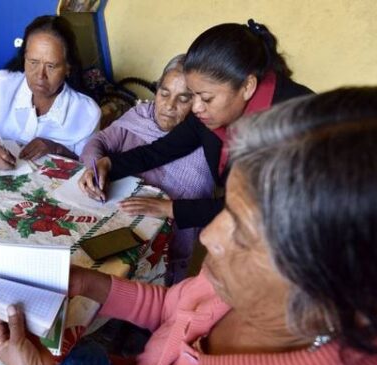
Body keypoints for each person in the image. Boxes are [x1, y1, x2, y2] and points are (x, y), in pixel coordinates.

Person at [0, 86, 377, 365]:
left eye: (243, 231)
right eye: (227, 208)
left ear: (340, 294)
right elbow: (174, 308)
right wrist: (85, 281)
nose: (209, 238)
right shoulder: (243, 284)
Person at [80, 20, 312, 230]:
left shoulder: (298, 127)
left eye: (206, 98)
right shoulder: (213, 108)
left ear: (247, 87)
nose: (197, 107)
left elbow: (257, 208)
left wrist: (169, 208)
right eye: (193, 95)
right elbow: (162, 150)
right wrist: (109, 164)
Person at [81, 55, 214, 284]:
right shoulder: (140, 116)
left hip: (162, 241)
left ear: (198, 103)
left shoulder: (206, 145)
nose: (169, 106)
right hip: (112, 220)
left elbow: (201, 206)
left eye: (183, 98)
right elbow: (98, 142)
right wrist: (94, 167)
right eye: (164, 93)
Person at [0, 15, 100, 169]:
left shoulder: (87, 112)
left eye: (51, 66)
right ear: (24, 58)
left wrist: (55, 148)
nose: (40, 75)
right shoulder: (6, 83)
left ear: (68, 68)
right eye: (33, 62)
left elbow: (89, 166)